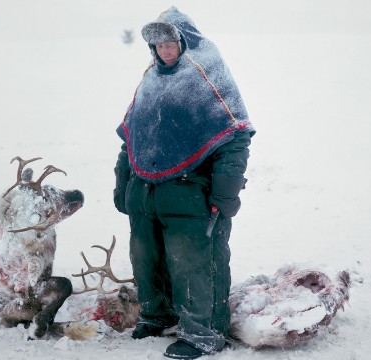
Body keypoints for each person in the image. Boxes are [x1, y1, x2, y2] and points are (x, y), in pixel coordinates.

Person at [113, 7, 255, 360]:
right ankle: (156, 315)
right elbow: (131, 139)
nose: (164, 50)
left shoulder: (207, 76)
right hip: (146, 194)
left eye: (169, 42)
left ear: (184, 41)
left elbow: (235, 138)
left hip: (191, 193)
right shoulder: (150, 79)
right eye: (157, 44)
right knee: (146, 259)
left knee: (193, 264)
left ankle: (202, 334)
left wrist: (223, 195)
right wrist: (123, 185)